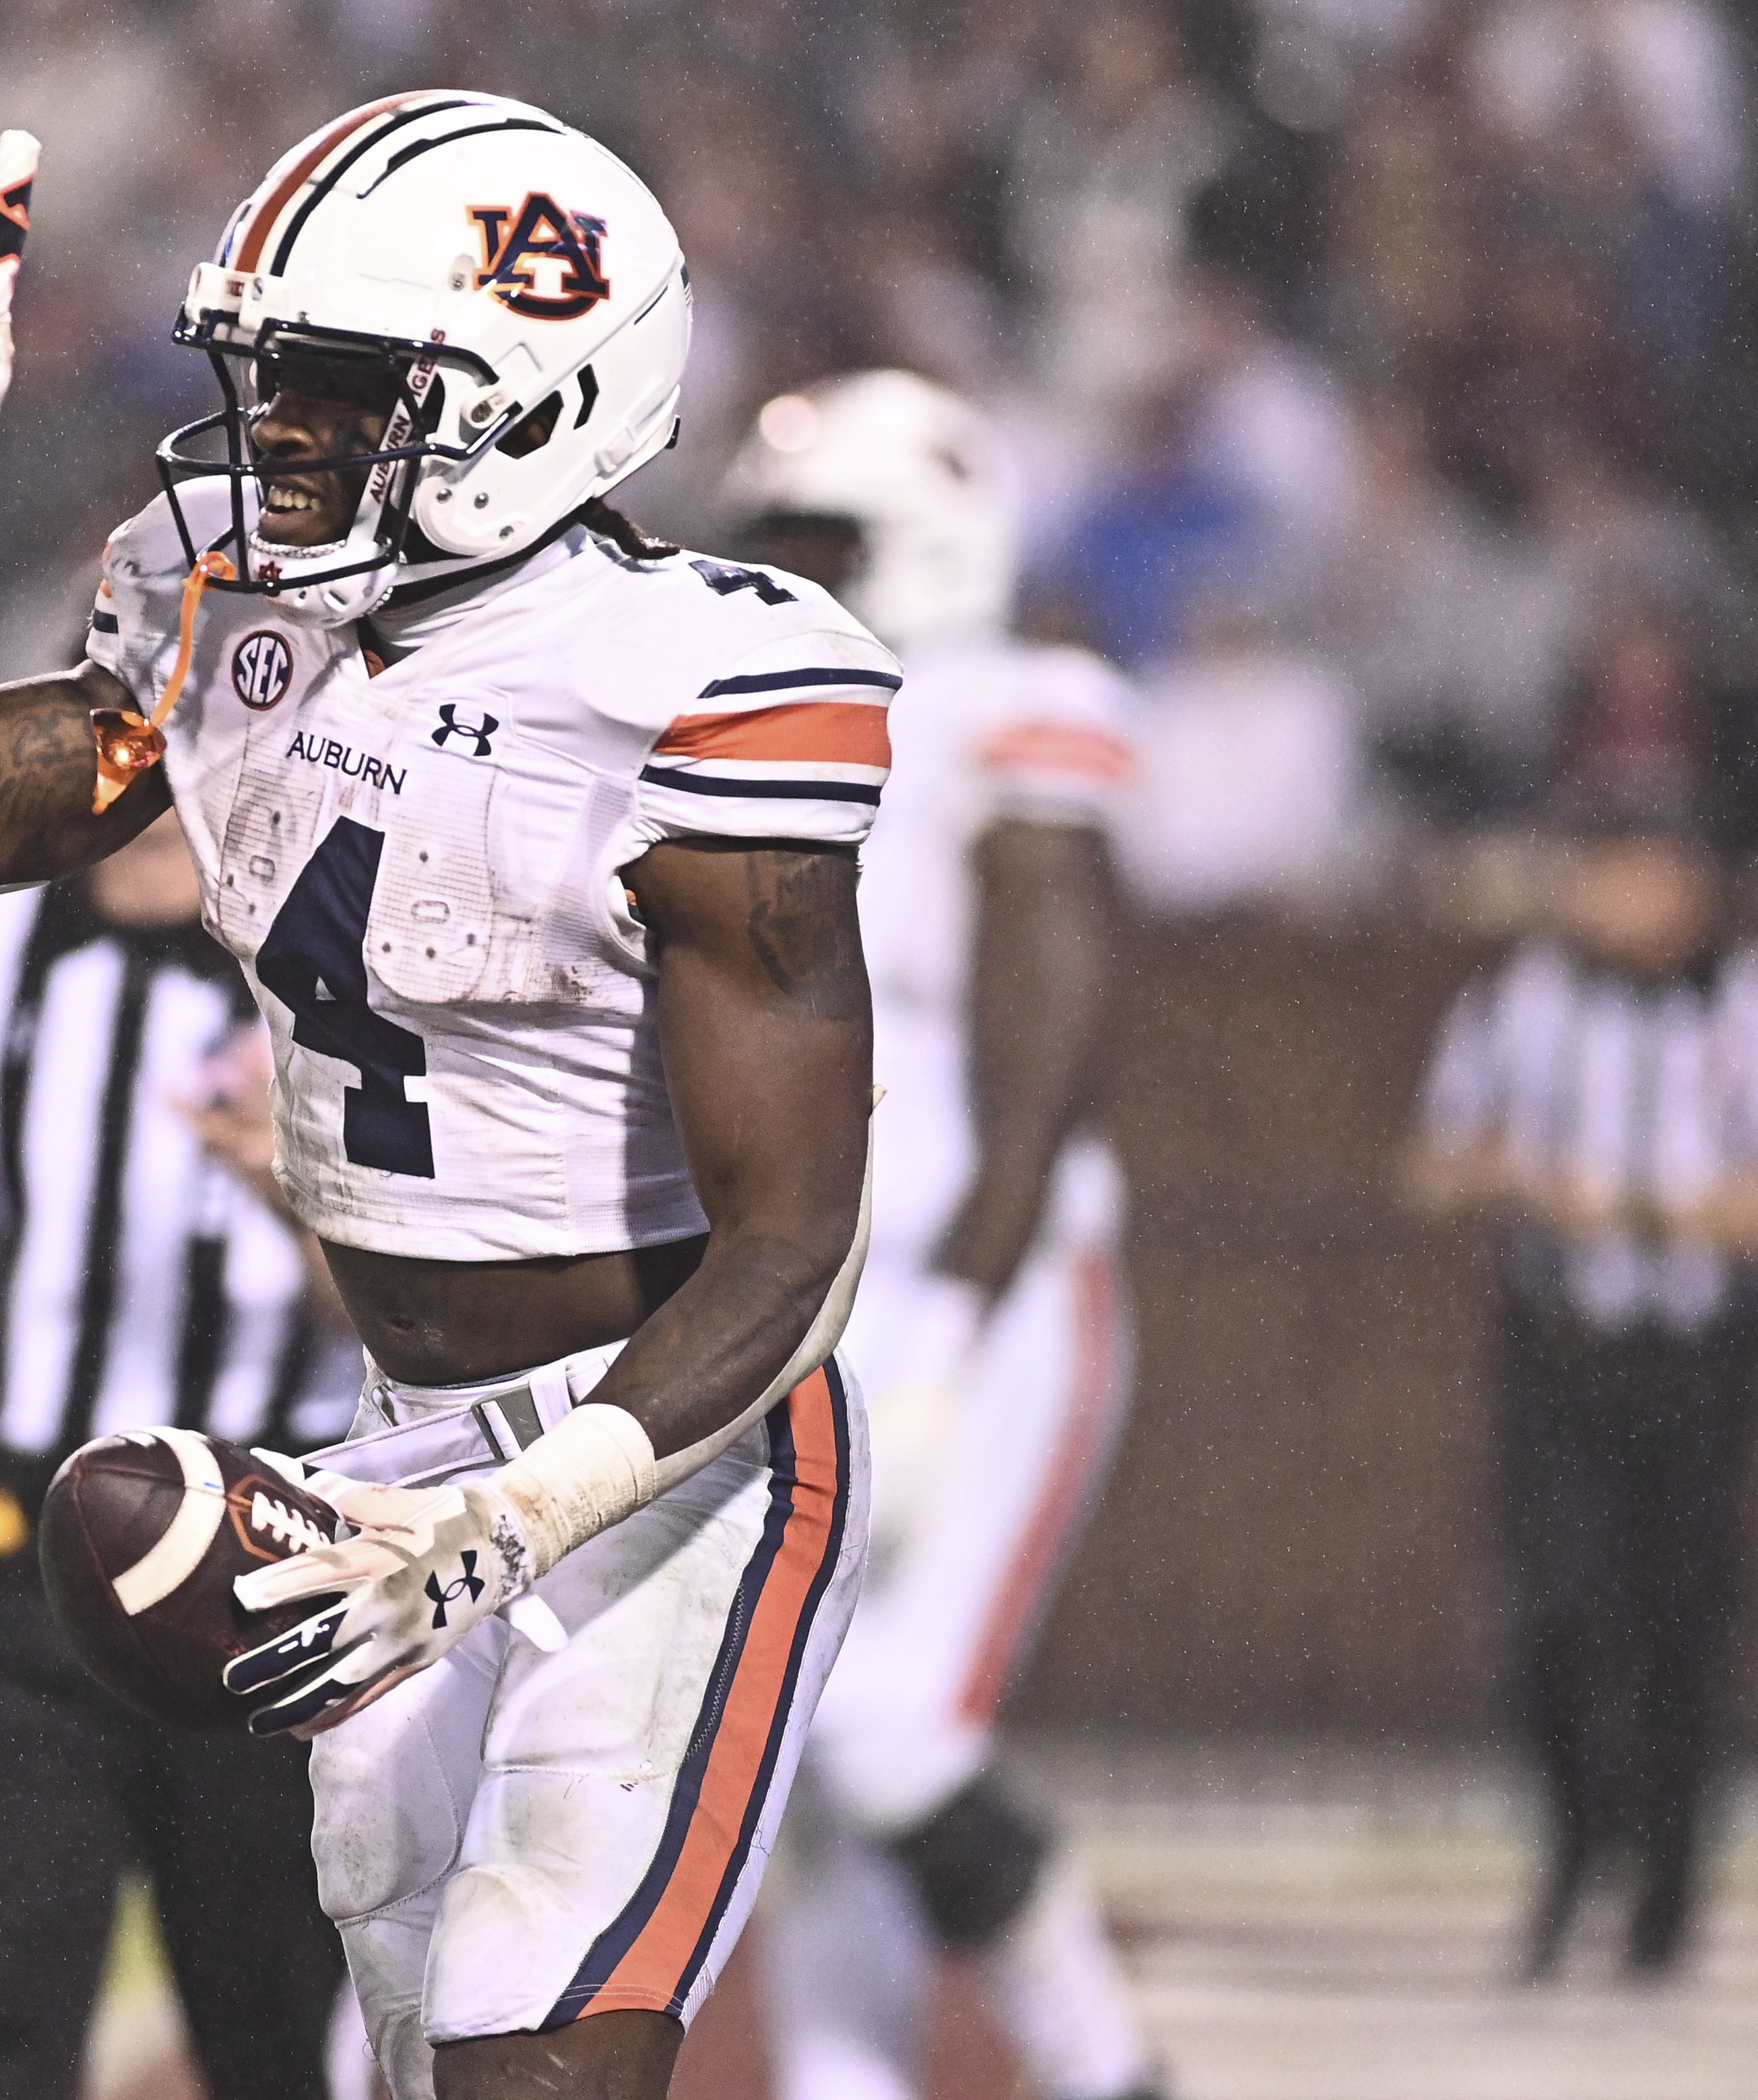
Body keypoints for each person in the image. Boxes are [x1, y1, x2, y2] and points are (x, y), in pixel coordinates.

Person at [0, 98, 882, 2100]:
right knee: (395, 2060)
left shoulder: (695, 685)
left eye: (342, 387)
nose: (274, 426)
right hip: (386, 1444)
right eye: (265, 374)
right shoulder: (223, 594)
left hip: (666, 1457)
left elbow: (795, 1243)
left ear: (534, 401)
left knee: (523, 2033)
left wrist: (507, 1522)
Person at [714, 375, 1165, 2100]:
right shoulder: (763, 721)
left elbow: (1051, 1037)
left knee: (893, 1733)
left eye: (819, 539)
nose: (782, 573)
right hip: (807, 1293)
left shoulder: (1008, 706)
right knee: (810, 1754)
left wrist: (958, 1325)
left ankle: (1116, 2074)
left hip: (977, 1283)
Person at [0, 809, 356, 2100]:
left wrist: (297, 1190)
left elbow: (417, 1321)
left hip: (266, 1584)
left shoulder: (338, 964)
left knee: (275, 2043)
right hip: (26, 1568)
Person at [1406, 789, 1758, 1979]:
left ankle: (1666, 1888)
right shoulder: (1517, 1003)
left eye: (1640, 868)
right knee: (1546, 1608)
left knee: (1680, 1626)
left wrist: (1648, 1211)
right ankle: (1571, 1848)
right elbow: (1433, 1167)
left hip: (1694, 1365)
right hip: (1559, 1352)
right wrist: (1523, 1184)